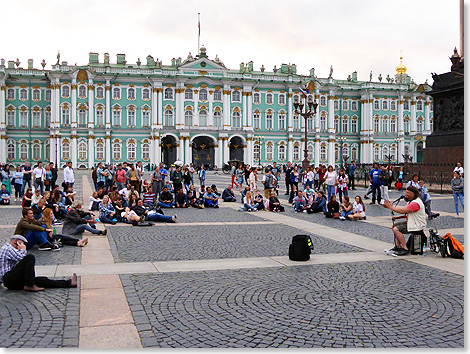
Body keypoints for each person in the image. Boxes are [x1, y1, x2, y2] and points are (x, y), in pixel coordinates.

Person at [0, 235, 77, 292]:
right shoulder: (7, 248)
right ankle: (29, 285)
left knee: (42, 280)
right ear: (15, 241)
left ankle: (69, 283)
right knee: (30, 257)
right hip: (8, 279)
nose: (22, 246)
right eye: (21, 243)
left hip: (14, 280)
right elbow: (22, 258)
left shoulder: (11, 249)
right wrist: (23, 250)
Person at [383, 186, 427, 256]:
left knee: (396, 229)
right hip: (413, 222)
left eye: (408, 193)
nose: (406, 194)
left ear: (413, 194)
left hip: (416, 225)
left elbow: (402, 210)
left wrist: (390, 207)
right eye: (406, 192)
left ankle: (405, 248)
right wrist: (398, 217)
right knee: (394, 226)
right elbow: (408, 214)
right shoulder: (412, 201)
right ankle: (398, 246)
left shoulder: (415, 203)